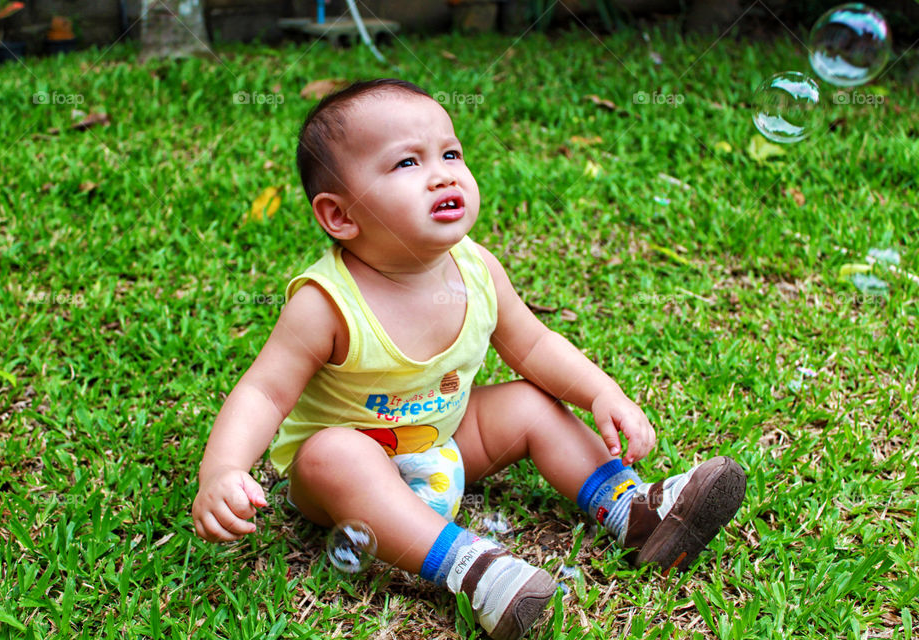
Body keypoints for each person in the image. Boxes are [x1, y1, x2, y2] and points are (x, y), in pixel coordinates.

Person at [191, 78, 746, 640]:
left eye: (450, 153)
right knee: (334, 452)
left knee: (530, 400)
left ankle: (633, 510)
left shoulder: (476, 268)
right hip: (346, 478)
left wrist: (602, 392)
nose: (442, 173)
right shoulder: (325, 304)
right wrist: (222, 471)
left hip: (445, 442)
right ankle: (475, 569)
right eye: (407, 163)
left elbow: (533, 346)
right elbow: (263, 391)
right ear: (340, 216)